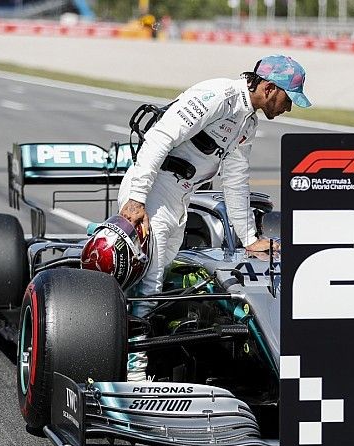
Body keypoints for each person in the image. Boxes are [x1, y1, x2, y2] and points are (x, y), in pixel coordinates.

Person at [116, 54, 311, 381]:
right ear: (267, 87)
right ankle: (133, 377)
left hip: (180, 197)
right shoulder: (218, 96)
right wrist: (136, 198)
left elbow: (235, 179)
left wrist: (250, 239)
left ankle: (148, 358)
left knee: (162, 280)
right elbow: (160, 136)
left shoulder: (247, 121)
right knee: (149, 284)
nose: (289, 107)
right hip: (154, 191)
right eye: (288, 98)